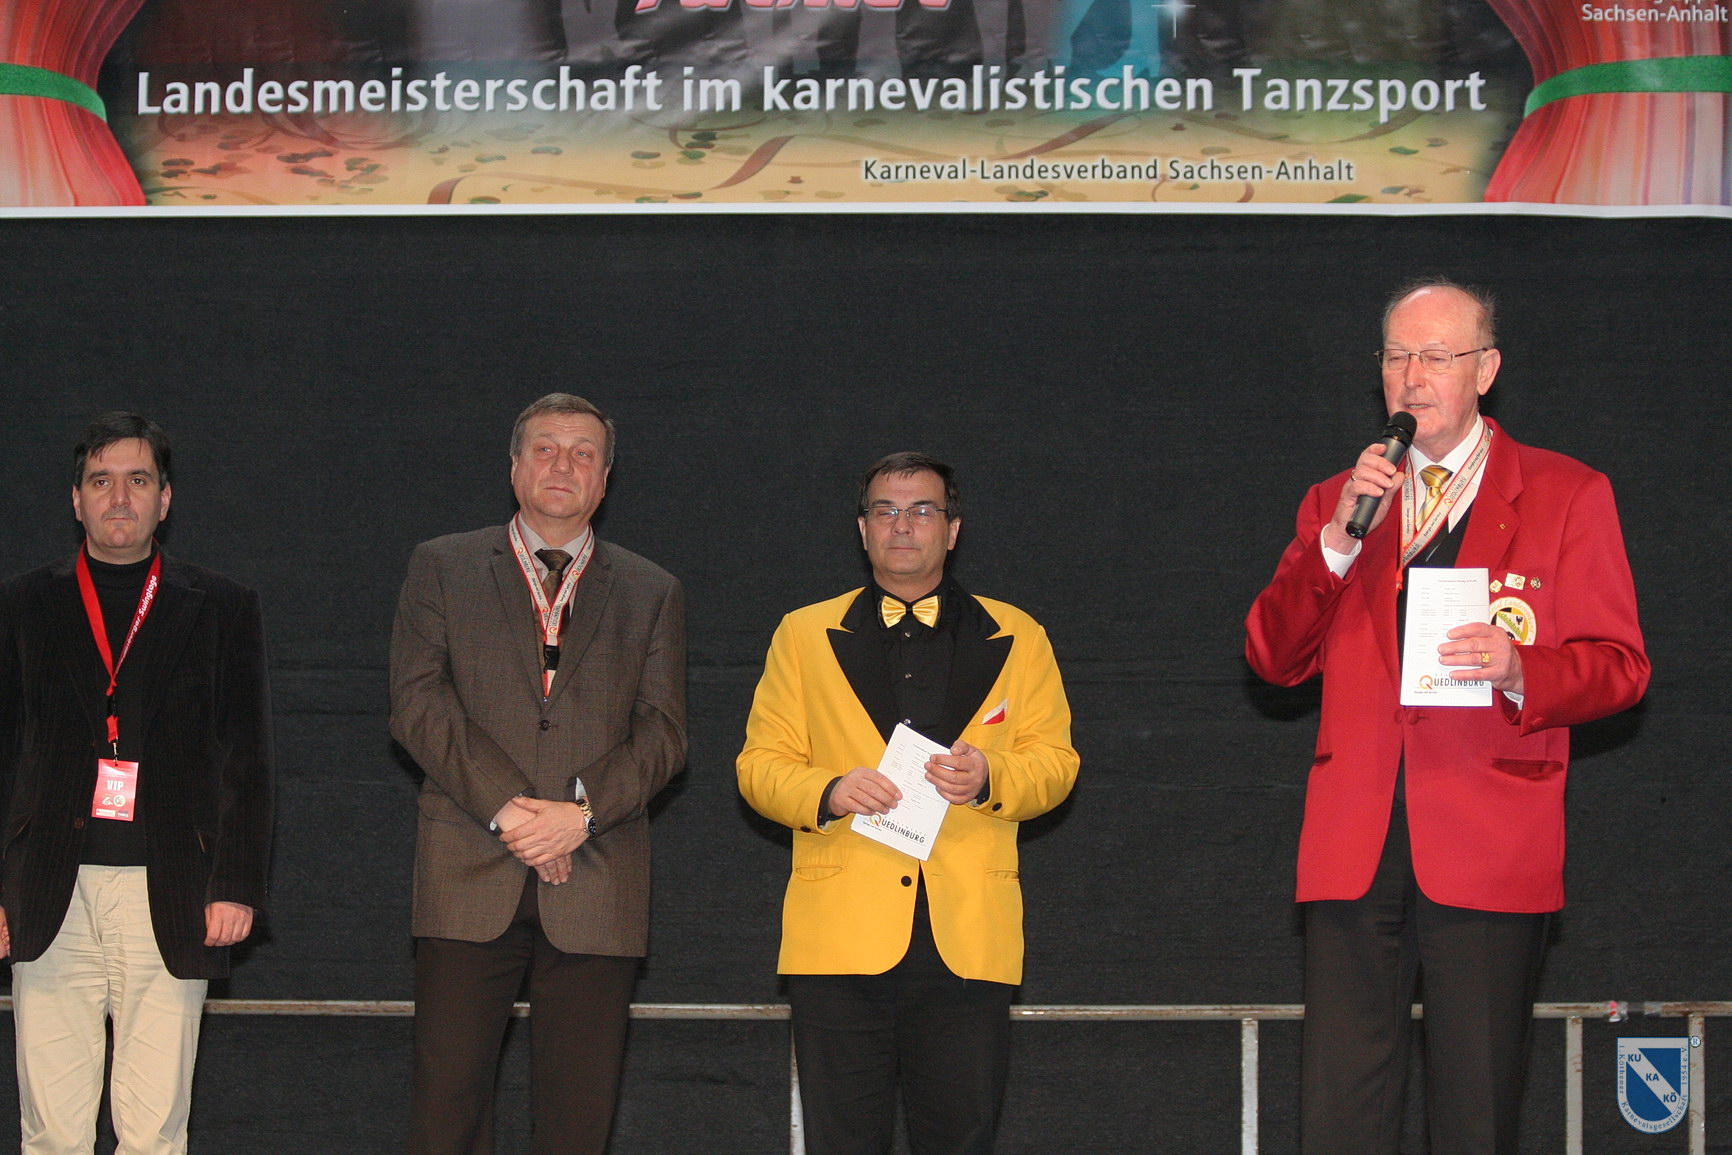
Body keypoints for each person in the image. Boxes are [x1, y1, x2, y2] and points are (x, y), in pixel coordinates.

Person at [1244, 279, 1650, 1153]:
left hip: (1488, 835)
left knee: (1475, 1107)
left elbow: (1622, 668)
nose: (1413, 377)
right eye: (1397, 356)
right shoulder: (1339, 498)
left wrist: (1522, 668)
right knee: (1339, 1110)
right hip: (1355, 840)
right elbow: (1272, 658)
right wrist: (1338, 542)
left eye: (1436, 356)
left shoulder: (1566, 492)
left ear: (1486, 369)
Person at [738, 451, 1078, 1155]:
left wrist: (991, 775)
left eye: (922, 510)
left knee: (961, 1139)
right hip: (838, 938)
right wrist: (828, 790)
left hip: (968, 937)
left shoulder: (1020, 635)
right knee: (840, 1140)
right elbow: (758, 767)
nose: (903, 525)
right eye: (886, 511)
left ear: (952, 529)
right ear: (862, 528)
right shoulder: (802, 634)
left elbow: (1056, 764)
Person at [390, 392, 686, 1155]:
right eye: (546, 448)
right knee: (445, 1113)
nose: (564, 464)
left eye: (583, 453)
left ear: (605, 478)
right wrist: (513, 810)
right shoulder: (441, 565)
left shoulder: (652, 589)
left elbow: (664, 733)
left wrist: (579, 814)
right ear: (515, 467)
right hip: (467, 868)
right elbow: (417, 704)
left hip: (599, 874)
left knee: (577, 1122)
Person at [0, 412, 274, 1153]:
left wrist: (236, 883)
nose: (119, 497)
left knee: (154, 1129)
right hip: (46, 890)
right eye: (101, 481)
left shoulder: (221, 605)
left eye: (138, 480)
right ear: (76, 499)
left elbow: (247, 757)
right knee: (50, 1130)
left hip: (174, 888)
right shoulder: (22, 604)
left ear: (165, 498)